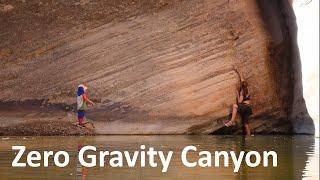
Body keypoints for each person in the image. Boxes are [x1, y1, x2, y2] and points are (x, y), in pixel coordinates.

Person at [225, 67, 252, 136]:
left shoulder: (242, 91)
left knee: (235, 105)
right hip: (248, 108)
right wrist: (237, 70)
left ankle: (232, 121)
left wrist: (237, 94)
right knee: (246, 124)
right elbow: (242, 78)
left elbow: (239, 102)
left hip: (244, 107)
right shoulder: (248, 89)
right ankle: (249, 137)